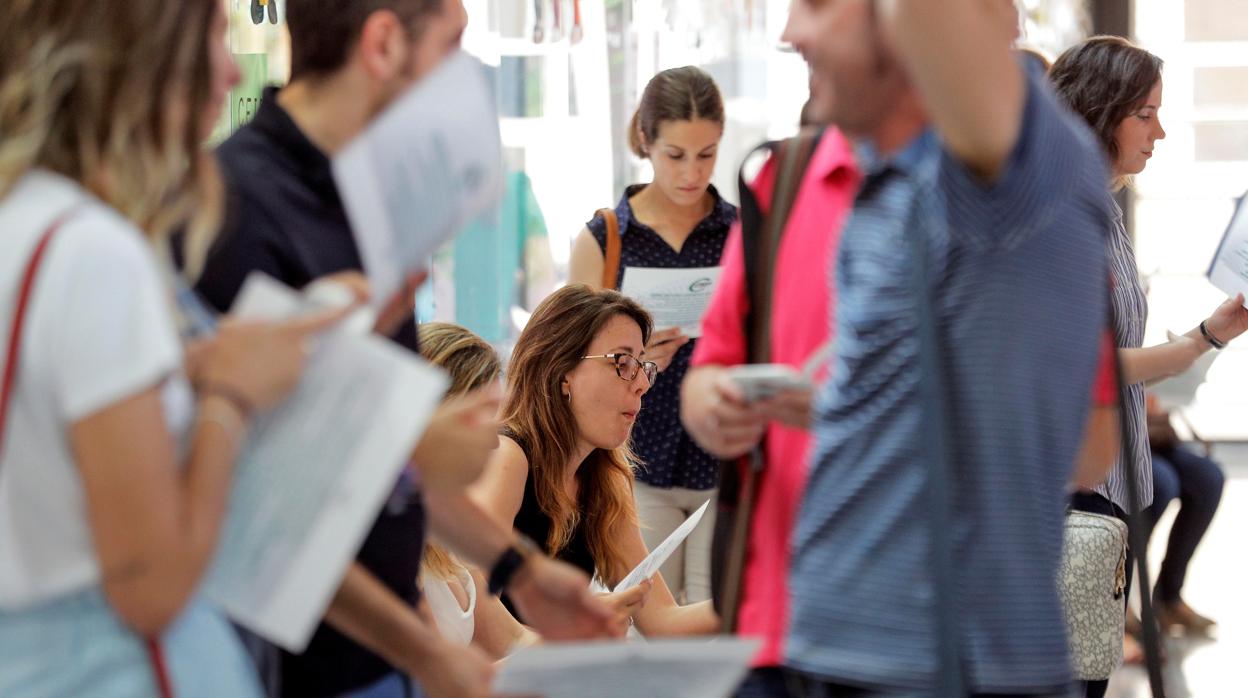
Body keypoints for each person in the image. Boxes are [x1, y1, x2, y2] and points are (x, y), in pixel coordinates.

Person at [194, 1, 617, 696]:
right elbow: (270, 513)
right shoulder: (240, 211)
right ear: (384, 44)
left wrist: (520, 570)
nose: (465, 80)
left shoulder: (366, 201)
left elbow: (376, 457)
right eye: (451, 47)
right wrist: (424, 651)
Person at [0, 1, 351, 694]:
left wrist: (190, 376)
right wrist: (228, 397)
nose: (230, 70)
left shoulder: (27, 223)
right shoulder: (95, 252)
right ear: (142, 54)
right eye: (214, 37)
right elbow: (151, 587)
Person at [780, 1, 1112, 694]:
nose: (792, 34)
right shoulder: (889, 181)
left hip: (946, 666)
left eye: (815, 5)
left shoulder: (1010, 168)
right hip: (841, 654)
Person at [1050, 36, 1248, 693]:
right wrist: (1197, 343)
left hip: (1108, 489)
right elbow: (1086, 365)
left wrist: (1211, 333)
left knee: (1089, 676)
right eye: (1146, 114)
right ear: (1099, 111)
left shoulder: (1103, 204)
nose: (1161, 132)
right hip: (1075, 492)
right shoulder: (1064, 213)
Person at [680, 106, 860, 694]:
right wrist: (714, 406)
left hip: (918, 626)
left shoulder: (994, 187)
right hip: (772, 621)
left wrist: (851, 412)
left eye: (817, 8)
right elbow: (710, 367)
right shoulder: (780, 180)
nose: (792, 31)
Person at [567, 66, 737, 604]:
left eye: (707, 154)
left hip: (726, 463)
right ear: (646, 141)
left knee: (716, 633)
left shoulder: (742, 233)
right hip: (637, 463)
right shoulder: (604, 239)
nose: (692, 172)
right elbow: (568, 365)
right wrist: (632, 361)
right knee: (649, 628)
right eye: (675, 154)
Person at [470, 284, 721, 637]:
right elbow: (475, 612)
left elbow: (664, 621)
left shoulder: (602, 479)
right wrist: (569, 634)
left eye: (643, 366)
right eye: (622, 363)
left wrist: (762, 600)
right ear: (563, 372)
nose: (642, 385)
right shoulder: (508, 456)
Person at [416, 322, 538, 658]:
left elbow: (510, 640)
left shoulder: (446, 533)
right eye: (481, 417)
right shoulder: (396, 535)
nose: (492, 440)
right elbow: (445, 682)